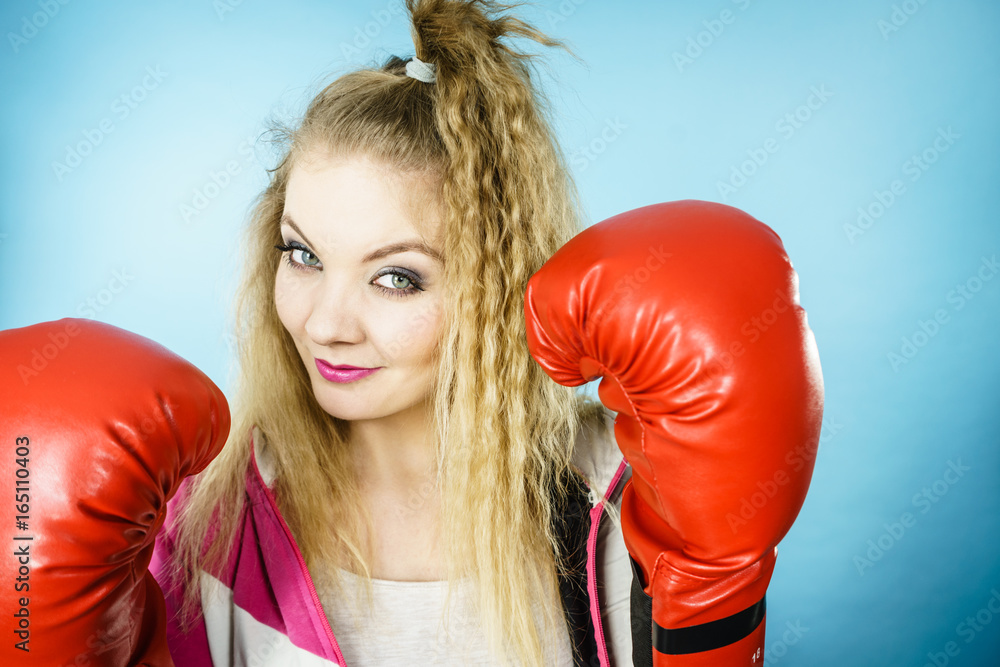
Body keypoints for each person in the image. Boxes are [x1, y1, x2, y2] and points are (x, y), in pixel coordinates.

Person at [151, 0, 635, 665]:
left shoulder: (618, 497)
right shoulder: (209, 516)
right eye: (304, 255)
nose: (324, 323)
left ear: (495, 289)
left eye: (396, 277)